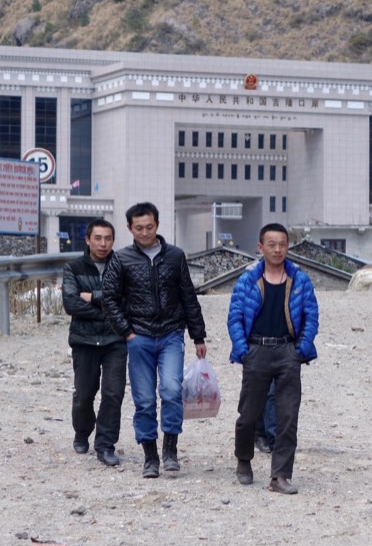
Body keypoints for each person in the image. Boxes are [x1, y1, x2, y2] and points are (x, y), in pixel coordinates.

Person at [102, 202, 207, 478]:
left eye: (149, 227)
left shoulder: (175, 256)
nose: (145, 232)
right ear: (130, 229)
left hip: (171, 333)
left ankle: (170, 449)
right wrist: (127, 332)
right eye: (139, 228)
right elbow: (110, 298)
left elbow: (188, 296)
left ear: (157, 225)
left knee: (172, 390)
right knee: (145, 399)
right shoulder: (121, 259)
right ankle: (150, 456)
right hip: (139, 336)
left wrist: (198, 335)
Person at [228, 223, 319, 494]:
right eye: (272, 244)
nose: (277, 249)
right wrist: (243, 349)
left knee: (288, 416)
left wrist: (301, 348)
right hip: (256, 351)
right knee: (248, 414)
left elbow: (311, 315)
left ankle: (280, 475)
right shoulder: (248, 280)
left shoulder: (299, 279)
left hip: (287, 352)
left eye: (282, 244)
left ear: (287, 246)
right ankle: (244, 459)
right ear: (260, 247)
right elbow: (234, 316)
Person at [62, 219, 127, 466]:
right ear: (88, 239)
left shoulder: (122, 266)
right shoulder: (73, 268)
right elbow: (71, 304)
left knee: (113, 393)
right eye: (98, 238)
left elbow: (127, 300)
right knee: (84, 394)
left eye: (108, 238)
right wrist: (111, 310)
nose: (103, 243)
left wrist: (94, 298)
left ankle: (105, 444)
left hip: (115, 341)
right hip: (84, 340)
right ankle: (81, 432)